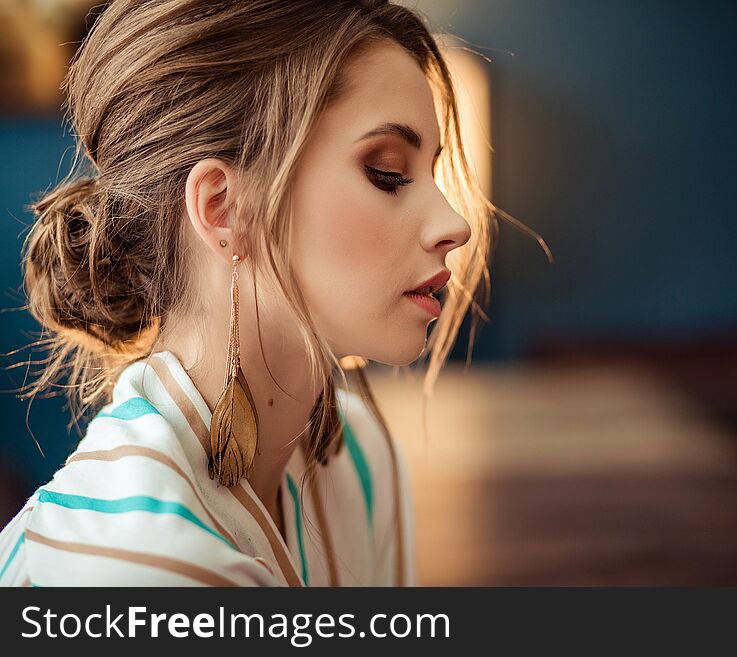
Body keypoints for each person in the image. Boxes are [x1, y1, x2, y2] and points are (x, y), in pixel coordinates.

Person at [0, 0, 502, 586]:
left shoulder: (354, 457)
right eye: (387, 172)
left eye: (432, 174)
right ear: (224, 209)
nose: (453, 224)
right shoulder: (138, 566)